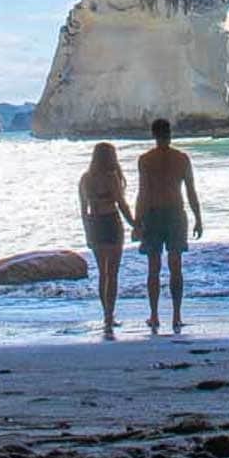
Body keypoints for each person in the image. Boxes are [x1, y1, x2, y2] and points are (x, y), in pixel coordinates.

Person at [134, 118, 203, 333]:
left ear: (153, 134)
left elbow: (143, 193)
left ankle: (154, 315)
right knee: (176, 268)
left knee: (153, 269)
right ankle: (176, 316)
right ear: (170, 133)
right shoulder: (181, 159)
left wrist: (137, 222)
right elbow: (191, 191)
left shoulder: (145, 160)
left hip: (153, 215)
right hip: (175, 215)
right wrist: (198, 217)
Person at [78, 142, 135, 333]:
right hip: (111, 223)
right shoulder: (111, 177)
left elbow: (83, 211)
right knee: (113, 273)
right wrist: (135, 225)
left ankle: (106, 316)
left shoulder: (85, 179)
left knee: (102, 274)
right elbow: (122, 205)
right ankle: (110, 316)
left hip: (94, 225)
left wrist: (87, 233)